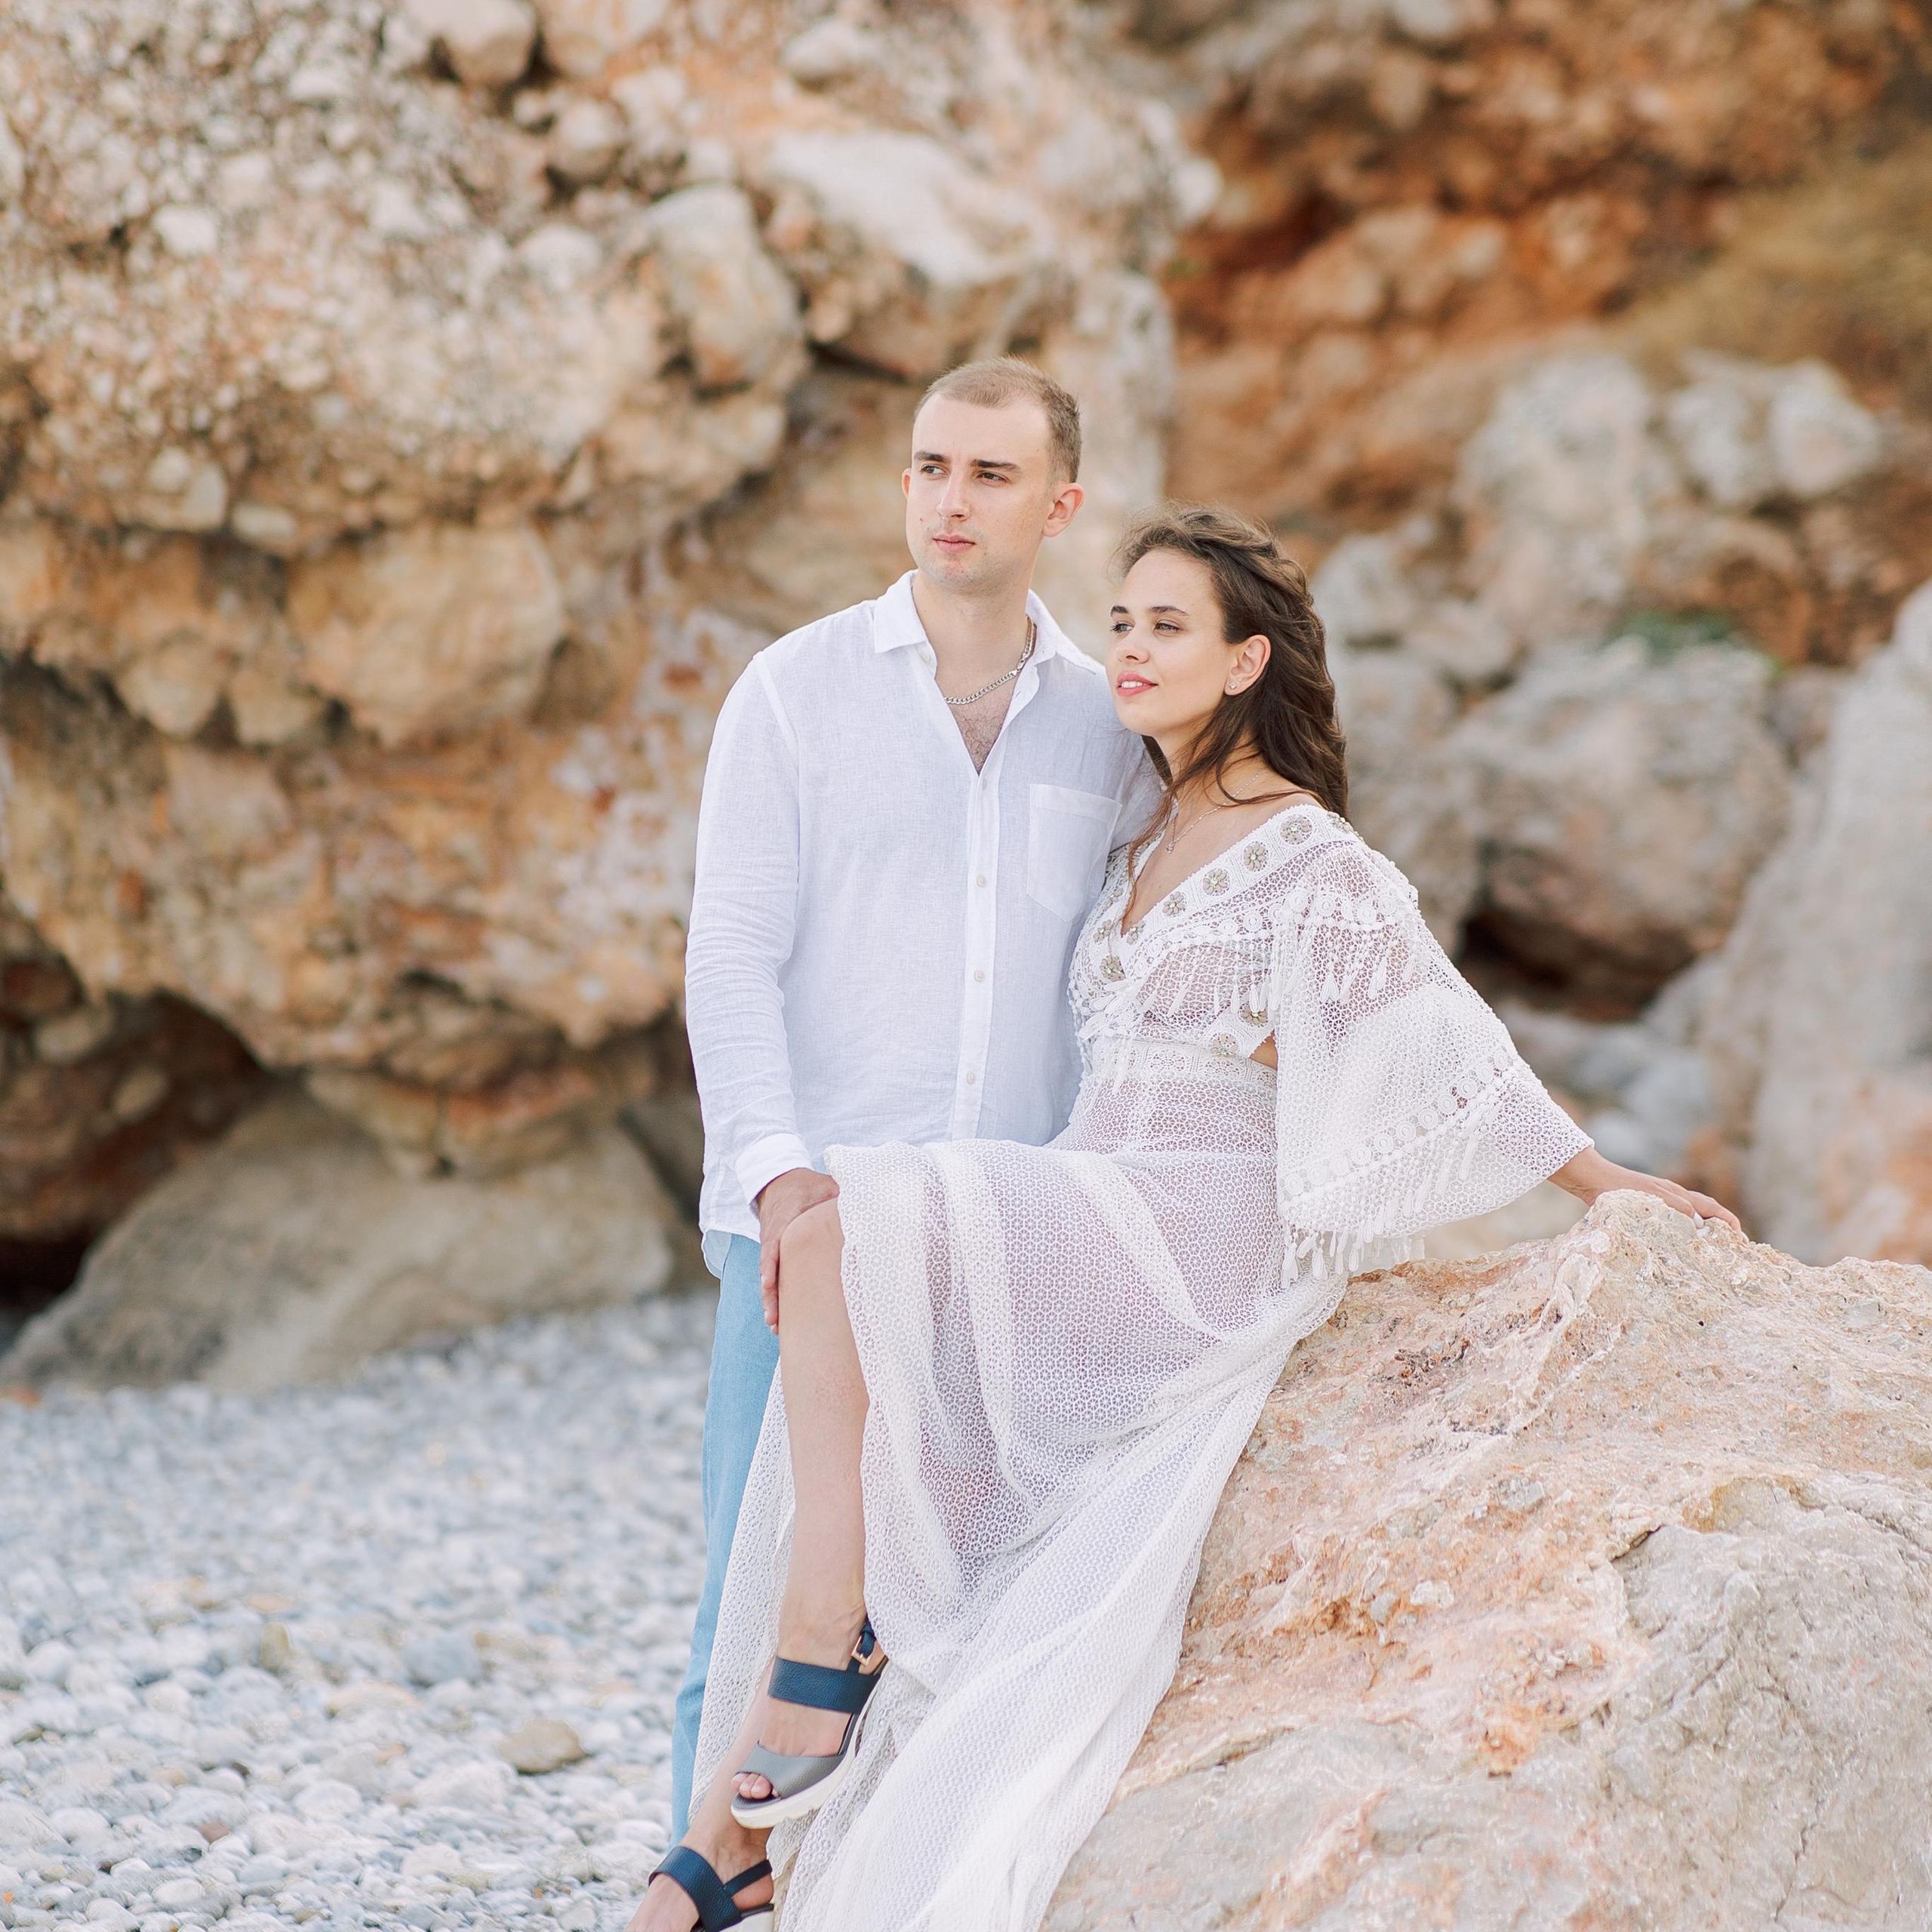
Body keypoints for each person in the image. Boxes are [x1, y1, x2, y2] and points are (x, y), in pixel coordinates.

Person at [635, 505, 1741, 1932]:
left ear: (1245, 662)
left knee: (840, 1226)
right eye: (1122, 624)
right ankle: (732, 1832)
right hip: (1104, 1186)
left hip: (1201, 1220)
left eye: (1169, 628)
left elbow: (1448, 1042)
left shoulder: (1311, 857)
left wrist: (1603, 1179)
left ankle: (822, 1644)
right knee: (854, 1289)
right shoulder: (1141, 833)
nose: (1132, 652)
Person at [663, 356, 1157, 1865]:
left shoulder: (1110, 724)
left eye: (991, 474)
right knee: (758, 1606)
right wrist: (777, 1179)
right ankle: (702, 1884)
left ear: (1058, 506)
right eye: (931, 467)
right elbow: (728, 957)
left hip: (1004, 1238)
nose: (951, 498)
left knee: (964, 1607)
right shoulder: (794, 691)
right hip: (804, 1233)